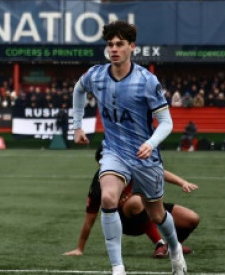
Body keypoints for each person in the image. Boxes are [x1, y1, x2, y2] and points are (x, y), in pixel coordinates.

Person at [72, 20, 187, 275]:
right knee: (109, 198)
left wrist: (150, 142)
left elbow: (167, 123)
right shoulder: (96, 75)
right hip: (113, 152)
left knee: (157, 214)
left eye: (120, 44)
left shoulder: (146, 81)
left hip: (144, 155)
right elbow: (78, 90)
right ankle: (118, 268)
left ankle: (175, 248)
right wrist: (77, 126)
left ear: (131, 47)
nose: (114, 49)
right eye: (110, 44)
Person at [64, 147, 200, 259]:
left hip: (149, 207)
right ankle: (159, 244)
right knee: (136, 201)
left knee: (192, 218)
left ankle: (174, 246)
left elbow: (158, 172)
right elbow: (89, 219)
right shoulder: (99, 183)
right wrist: (79, 248)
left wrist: (183, 182)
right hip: (128, 222)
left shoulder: (131, 165)